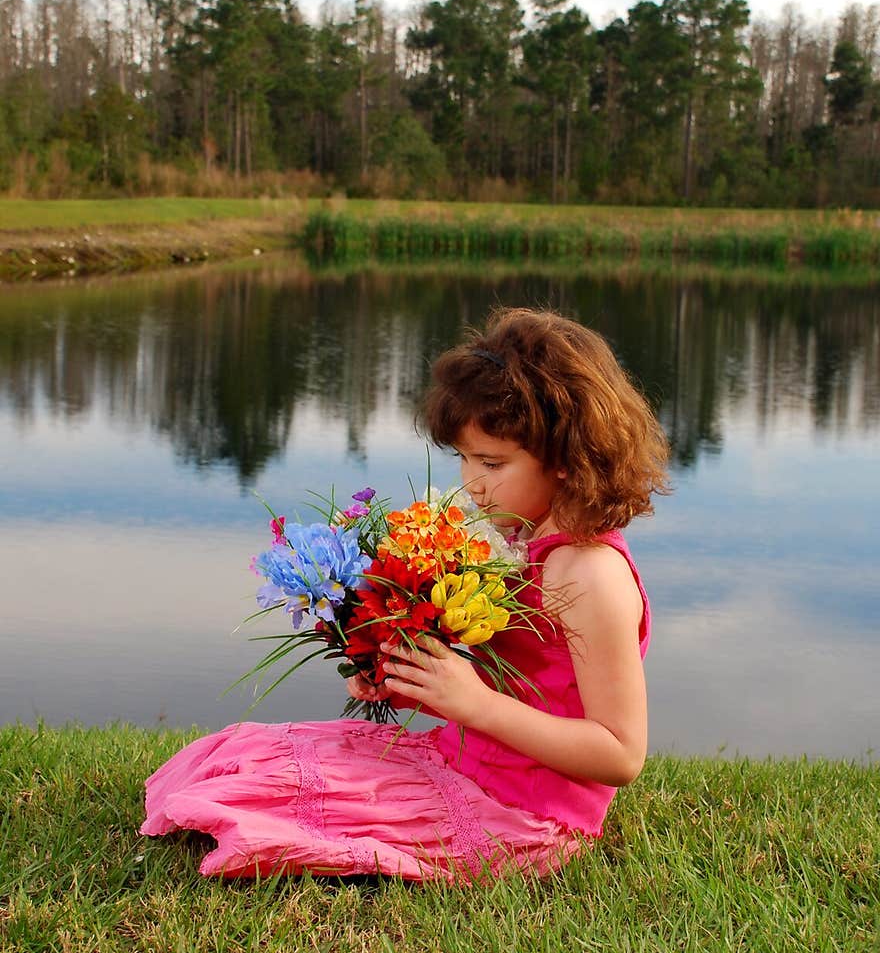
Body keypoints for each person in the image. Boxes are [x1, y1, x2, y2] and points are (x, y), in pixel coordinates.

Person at [140, 306, 671, 884]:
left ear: (568, 459)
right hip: (467, 760)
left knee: (266, 809)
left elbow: (620, 754)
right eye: (463, 459)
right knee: (243, 758)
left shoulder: (589, 573)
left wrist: (474, 703)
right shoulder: (520, 537)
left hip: (526, 814)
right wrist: (413, 680)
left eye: (492, 462)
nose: (472, 483)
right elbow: (518, 689)